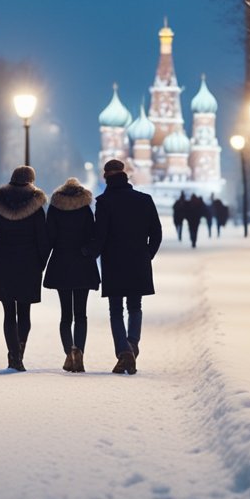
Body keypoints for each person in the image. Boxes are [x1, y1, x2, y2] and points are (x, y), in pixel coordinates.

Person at [93, 158, 162, 375]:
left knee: (116, 310)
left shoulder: (104, 203)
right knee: (135, 306)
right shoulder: (144, 200)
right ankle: (132, 344)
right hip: (137, 261)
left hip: (114, 262)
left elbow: (100, 236)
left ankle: (124, 351)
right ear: (125, 174)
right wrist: (146, 254)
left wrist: (87, 253)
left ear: (106, 177)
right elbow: (156, 232)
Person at [0, 165, 49, 371]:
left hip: (4, 261)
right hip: (28, 262)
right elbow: (43, 238)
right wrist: (41, 262)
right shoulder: (36, 204)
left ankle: (13, 355)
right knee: (24, 311)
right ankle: (20, 351)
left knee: (9, 313)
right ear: (31, 180)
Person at [43, 177, 97, 373]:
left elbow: (49, 237)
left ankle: (69, 352)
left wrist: (42, 262)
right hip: (83, 264)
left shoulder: (56, 208)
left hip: (61, 264)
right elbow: (94, 234)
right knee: (81, 314)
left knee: (66, 315)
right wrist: (89, 252)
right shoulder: (85, 209)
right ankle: (80, 352)